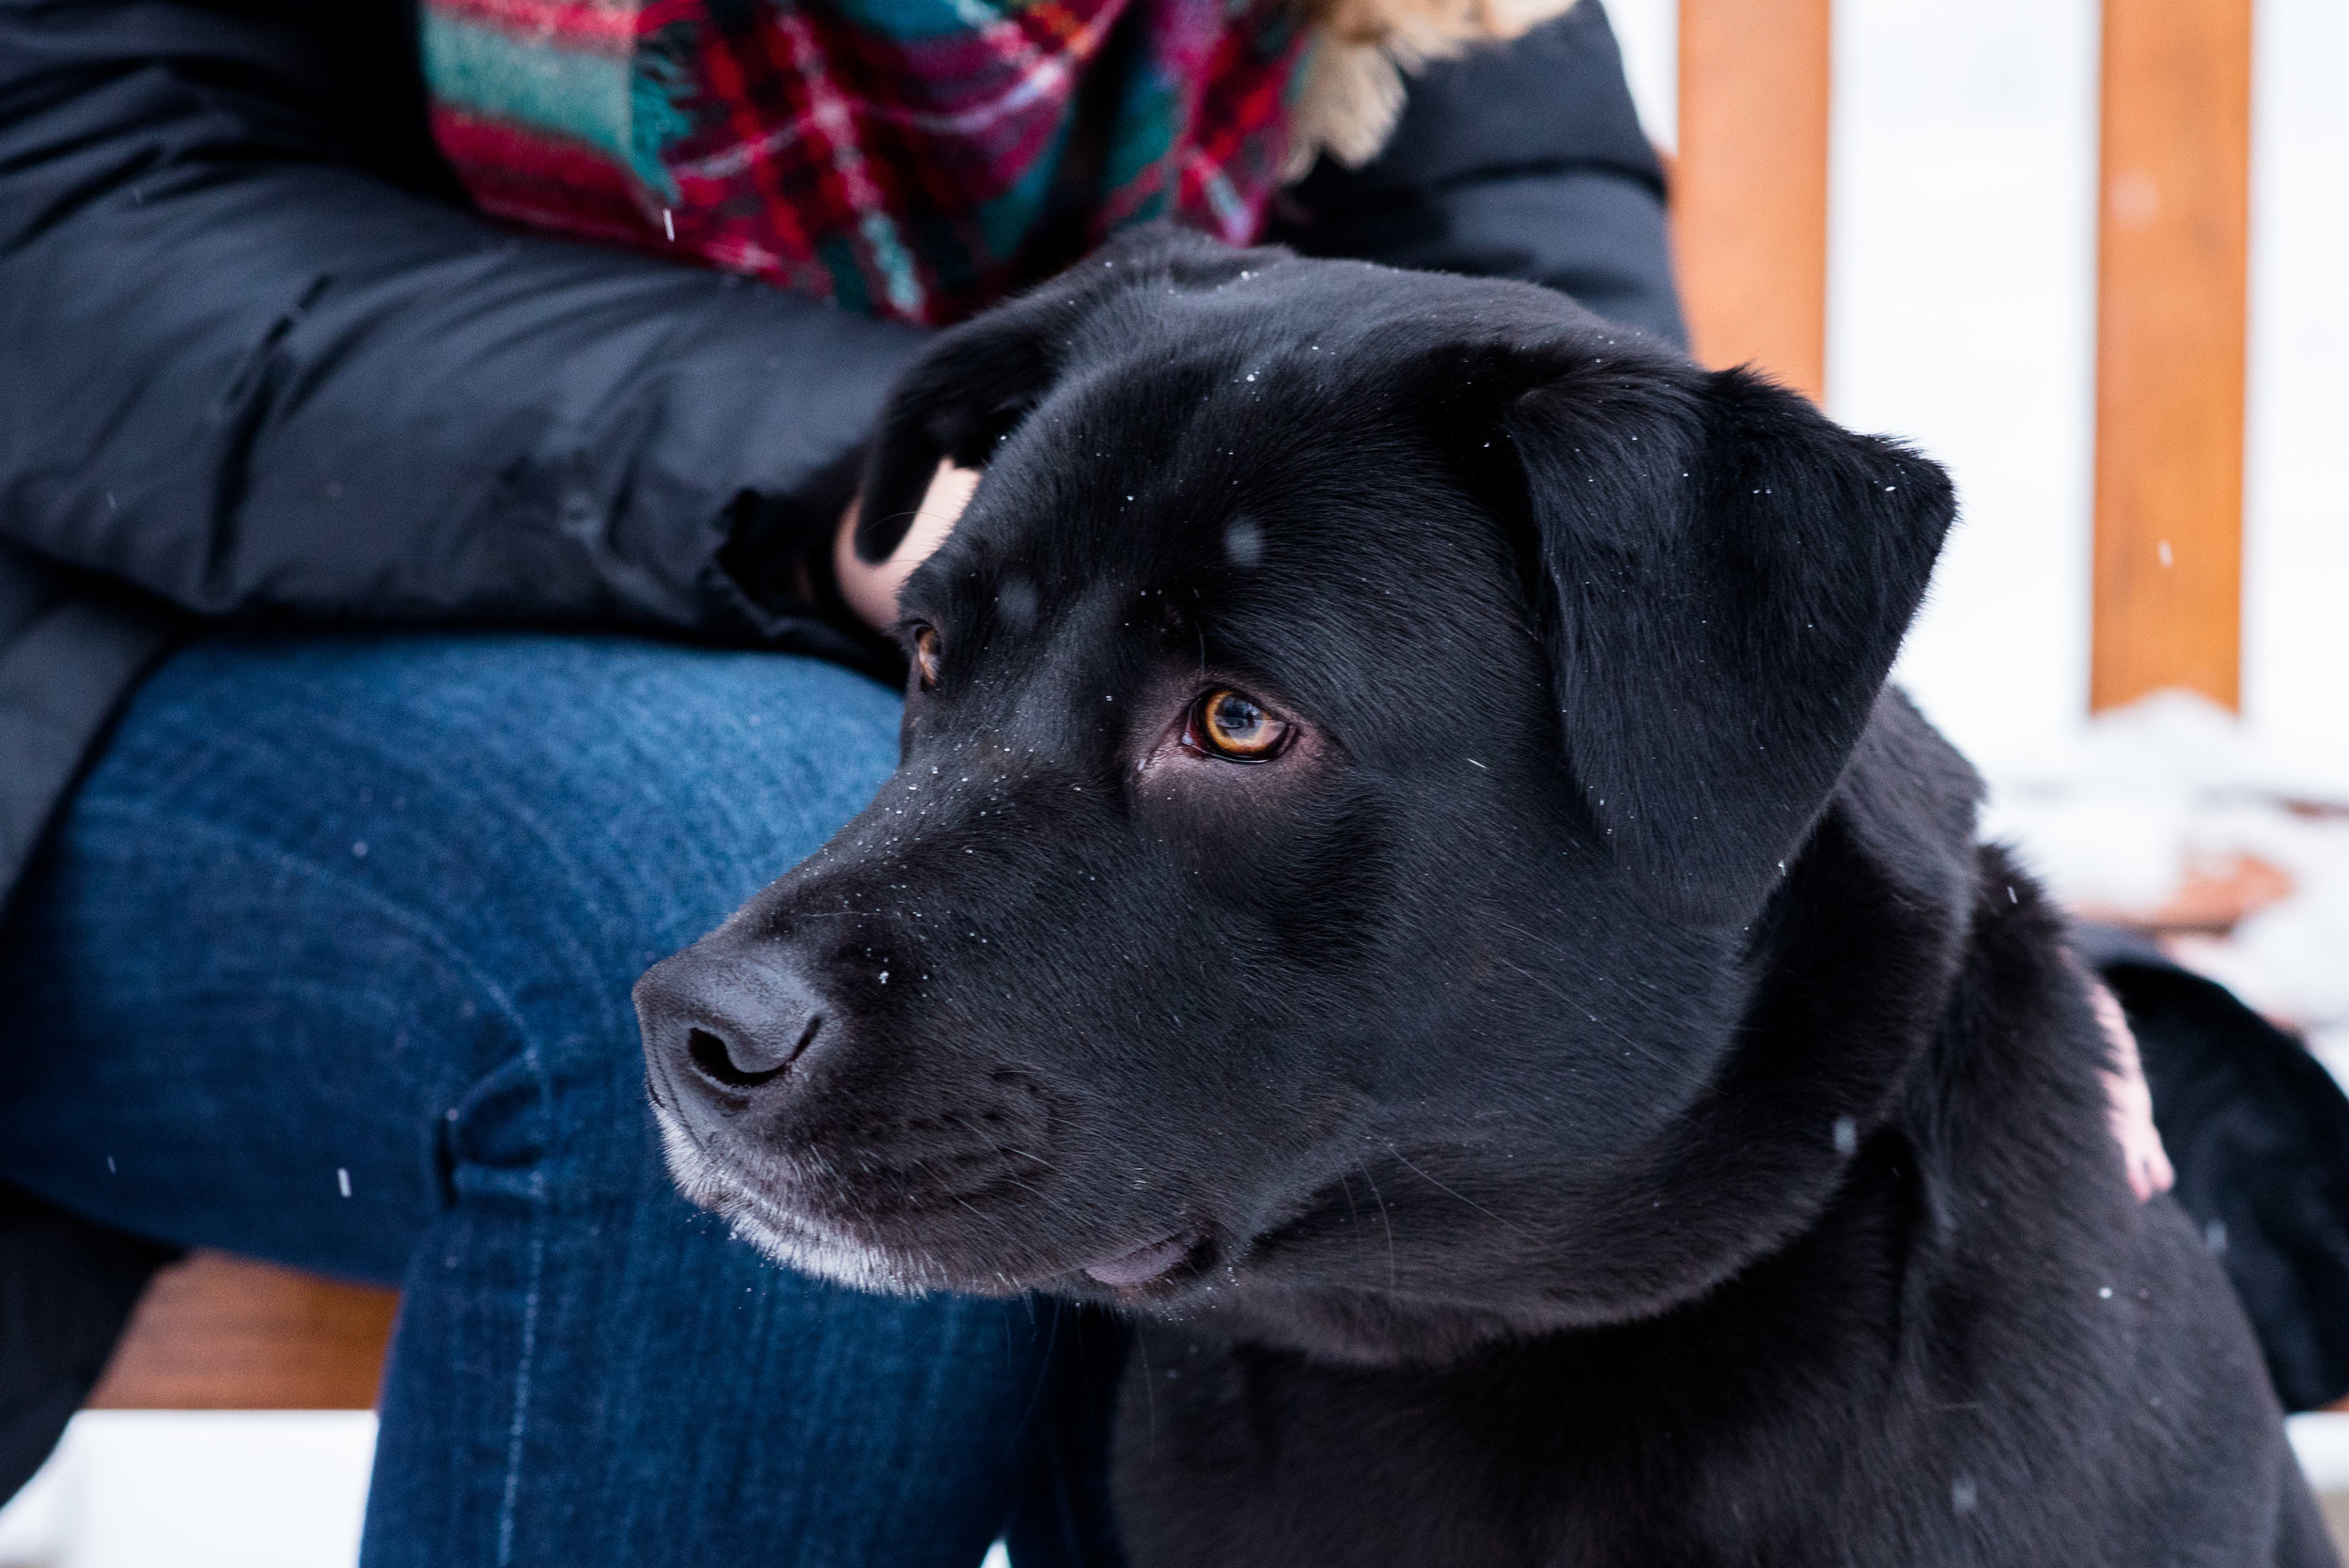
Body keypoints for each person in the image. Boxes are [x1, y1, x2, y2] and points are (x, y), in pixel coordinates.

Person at [0, 0, 1687, 1560]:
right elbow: (66, 215)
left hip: (1014, 668)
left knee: (1372, 1029)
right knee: (790, 955)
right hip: (129, 617)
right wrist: (867, 483)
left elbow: (1520, 292)